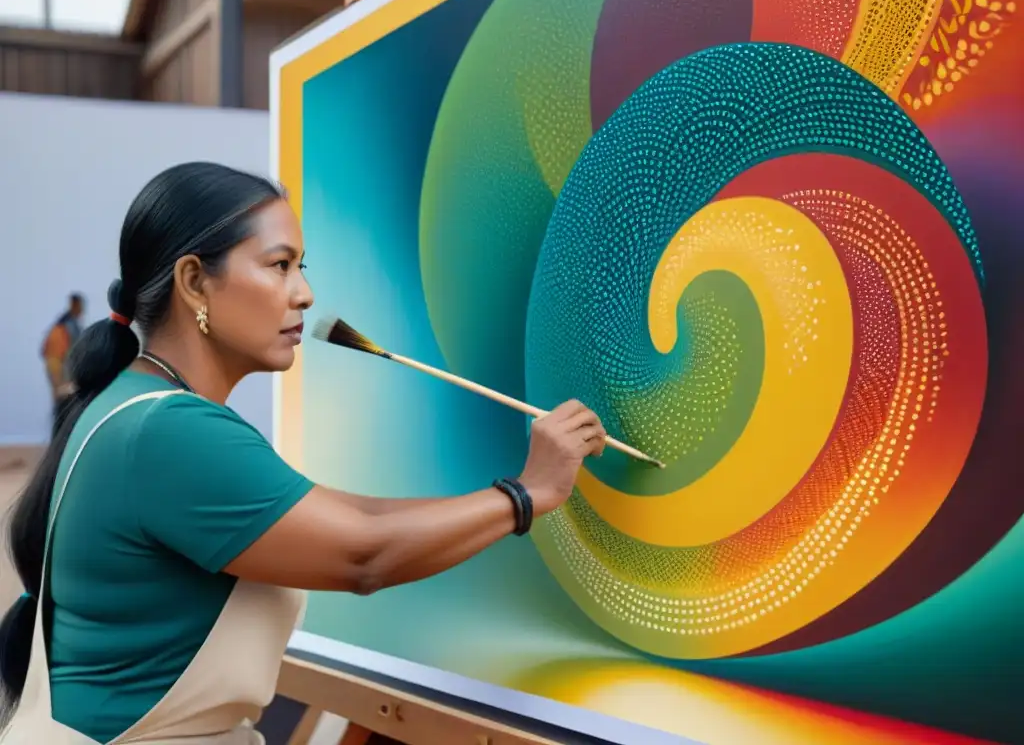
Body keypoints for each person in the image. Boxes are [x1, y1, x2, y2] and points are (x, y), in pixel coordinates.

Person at [0, 162, 606, 744]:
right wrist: (527, 494)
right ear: (193, 282)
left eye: (301, 265)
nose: (306, 294)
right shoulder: (170, 431)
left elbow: (352, 519)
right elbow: (363, 553)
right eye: (280, 265)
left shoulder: (138, 404)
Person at [41, 293, 85, 426]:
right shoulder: (62, 329)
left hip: (68, 377)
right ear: (74, 305)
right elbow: (53, 358)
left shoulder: (72, 326)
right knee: (63, 411)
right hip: (62, 377)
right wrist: (60, 384)